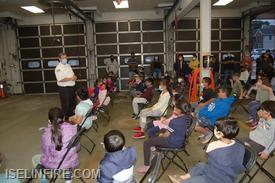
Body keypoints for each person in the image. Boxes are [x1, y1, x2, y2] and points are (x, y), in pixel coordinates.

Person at [168, 118, 245, 183]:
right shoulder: (241, 147)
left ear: (220, 133)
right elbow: (238, 167)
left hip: (214, 178)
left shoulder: (213, 146)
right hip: (230, 178)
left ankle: (183, 181)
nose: (214, 129)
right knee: (201, 166)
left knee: (197, 179)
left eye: (215, 128)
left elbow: (211, 162)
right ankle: (183, 177)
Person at [136, 100, 191, 173]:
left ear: (179, 110)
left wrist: (161, 135)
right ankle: (156, 147)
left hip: (172, 142)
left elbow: (166, 135)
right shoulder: (188, 118)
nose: (174, 108)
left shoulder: (174, 121)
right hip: (181, 140)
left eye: (175, 107)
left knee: (146, 143)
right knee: (162, 129)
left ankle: (146, 166)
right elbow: (174, 129)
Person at [41, 107, 79, 182]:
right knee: (66, 158)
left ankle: (45, 179)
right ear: (64, 118)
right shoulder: (73, 129)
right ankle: (68, 179)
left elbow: (46, 154)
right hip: (70, 160)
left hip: (55, 165)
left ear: (49, 121)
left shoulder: (46, 135)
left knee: (36, 159)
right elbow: (77, 147)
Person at [55, 52, 77, 119]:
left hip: (72, 87)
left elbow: (72, 74)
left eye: (66, 57)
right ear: (59, 59)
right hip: (64, 89)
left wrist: (74, 77)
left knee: (73, 104)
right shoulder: (58, 68)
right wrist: (71, 78)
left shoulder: (68, 65)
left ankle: (72, 118)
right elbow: (60, 79)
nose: (65, 59)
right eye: (63, 58)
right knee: (66, 105)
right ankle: (66, 120)